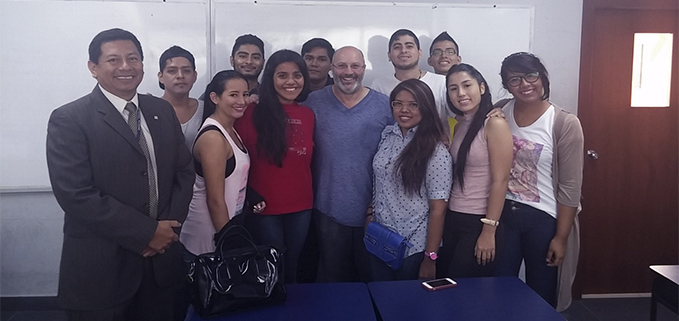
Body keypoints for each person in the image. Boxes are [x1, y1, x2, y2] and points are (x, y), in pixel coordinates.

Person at [46, 28, 194, 321]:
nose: (126, 67)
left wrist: (168, 230)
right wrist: (147, 233)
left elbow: (183, 172)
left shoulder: (161, 110)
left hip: (160, 267)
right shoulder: (70, 118)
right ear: (93, 68)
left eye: (133, 58)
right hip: (102, 271)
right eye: (113, 60)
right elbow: (76, 194)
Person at [494, 52, 584, 307]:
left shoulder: (564, 123)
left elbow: (570, 187)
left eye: (531, 75)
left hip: (543, 220)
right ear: (506, 86)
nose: (525, 84)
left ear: (542, 77)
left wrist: (561, 237)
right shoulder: (500, 112)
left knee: (541, 296)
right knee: (499, 290)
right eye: (515, 79)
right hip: (504, 216)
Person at [304, 46, 393, 282]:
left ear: (364, 69)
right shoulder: (313, 102)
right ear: (332, 69)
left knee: (370, 281)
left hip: (374, 214)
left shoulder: (384, 105)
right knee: (332, 280)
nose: (348, 72)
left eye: (355, 66)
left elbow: (407, 141)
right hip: (327, 211)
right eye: (341, 66)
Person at [234, 49, 314, 284]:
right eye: (282, 75)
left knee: (293, 265)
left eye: (297, 75)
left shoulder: (309, 114)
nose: (290, 81)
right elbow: (235, 159)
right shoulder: (249, 112)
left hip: (302, 205)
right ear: (270, 78)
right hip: (263, 207)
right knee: (271, 268)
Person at [369, 78, 452, 280]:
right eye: (398, 103)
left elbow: (438, 209)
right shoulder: (388, 135)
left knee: (406, 307)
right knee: (379, 302)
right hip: (380, 239)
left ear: (425, 107)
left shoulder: (435, 151)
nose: (404, 110)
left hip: (412, 247)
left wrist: (430, 258)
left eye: (413, 104)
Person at [439, 63, 513, 278]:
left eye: (466, 85)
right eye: (453, 88)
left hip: (479, 221)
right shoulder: (460, 123)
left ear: (481, 87)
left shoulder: (494, 124)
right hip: (453, 217)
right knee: (447, 283)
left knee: (466, 290)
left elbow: (500, 180)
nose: (460, 93)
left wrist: (489, 231)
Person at [370, 29, 450, 130]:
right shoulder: (379, 85)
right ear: (389, 55)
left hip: (434, 143)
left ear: (420, 53)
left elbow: (461, 117)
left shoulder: (441, 82)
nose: (403, 51)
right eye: (397, 47)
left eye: (409, 46)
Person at [157, 45, 203, 149]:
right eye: (172, 71)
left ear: (194, 76)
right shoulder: (150, 110)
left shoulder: (206, 109)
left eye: (186, 71)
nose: (180, 76)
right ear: (161, 77)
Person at [230, 34, 265, 104]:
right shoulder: (218, 96)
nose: (249, 61)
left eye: (255, 57)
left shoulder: (271, 96)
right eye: (243, 56)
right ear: (232, 60)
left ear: (263, 63)